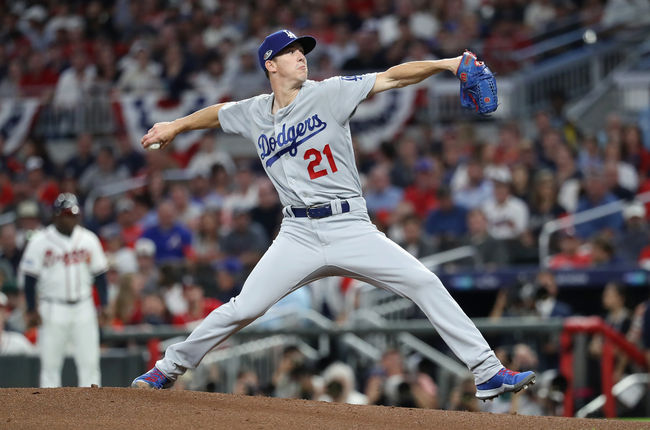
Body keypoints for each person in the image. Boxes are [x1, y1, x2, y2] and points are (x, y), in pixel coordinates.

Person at [131, 29, 535, 400]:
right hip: (297, 233)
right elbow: (218, 112)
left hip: (348, 225)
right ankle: (167, 369)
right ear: (270, 64)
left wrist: (447, 64)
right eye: (290, 52)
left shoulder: (329, 92)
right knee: (243, 308)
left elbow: (393, 77)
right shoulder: (253, 112)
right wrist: (176, 126)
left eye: (302, 50)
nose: (301, 57)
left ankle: (487, 371)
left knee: (424, 282)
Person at [18, 193, 109, 387]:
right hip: (52, 307)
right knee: (50, 365)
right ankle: (48, 406)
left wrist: (105, 304)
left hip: (84, 306)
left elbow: (100, 275)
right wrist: (32, 308)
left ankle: (93, 404)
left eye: (73, 214)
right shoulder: (40, 240)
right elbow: (29, 279)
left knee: (90, 363)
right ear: (56, 215)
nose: (70, 219)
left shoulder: (88, 239)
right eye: (66, 214)